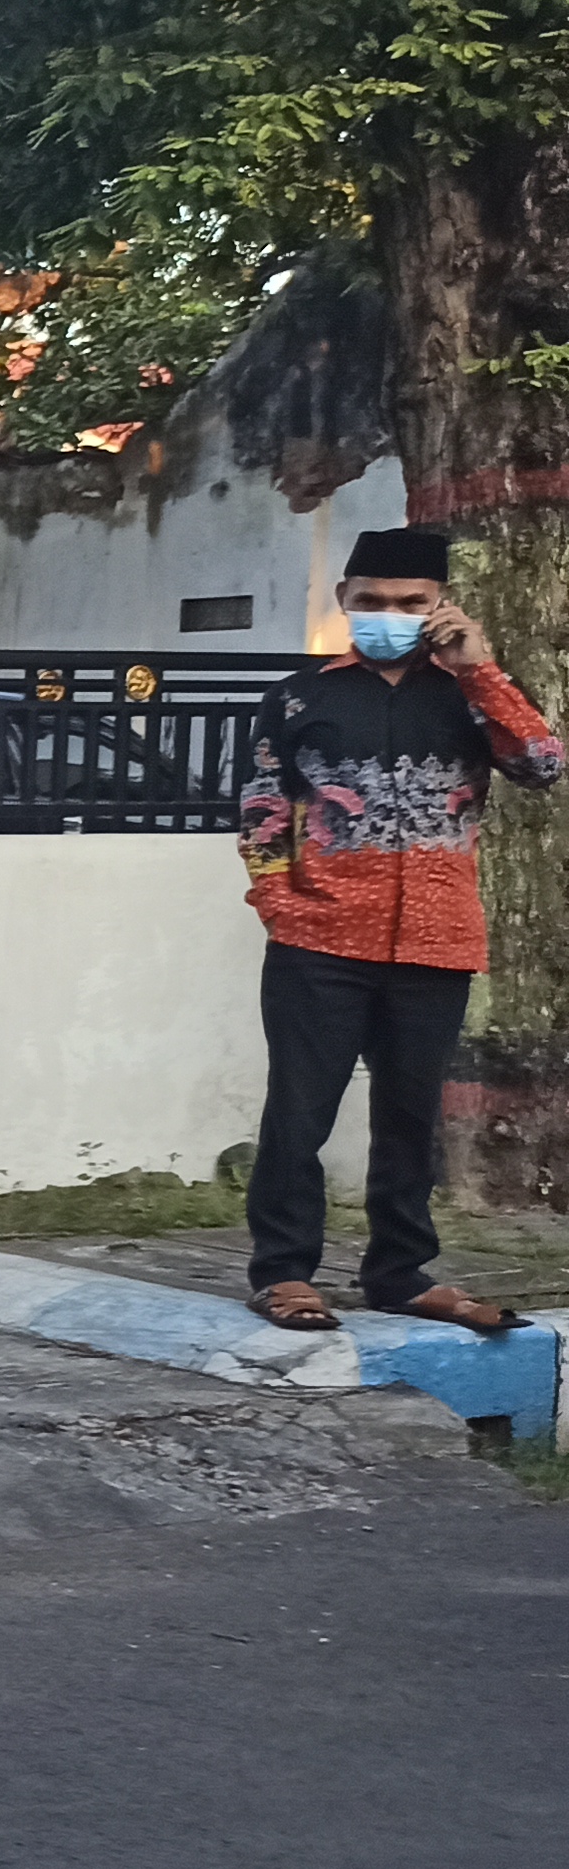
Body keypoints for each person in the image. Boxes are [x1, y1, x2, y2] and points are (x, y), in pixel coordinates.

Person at [236, 528, 560, 1333]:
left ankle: (400, 1274)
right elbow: (262, 816)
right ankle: (284, 1273)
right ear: (344, 600)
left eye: (411, 602)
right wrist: (280, 907)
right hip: (319, 944)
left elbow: (544, 765)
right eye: (371, 600)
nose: (389, 614)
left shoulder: (469, 694)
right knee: (299, 1113)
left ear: (439, 605)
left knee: (412, 1116)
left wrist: (478, 667)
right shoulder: (300, 698)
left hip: (437, 943)